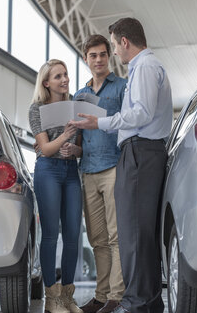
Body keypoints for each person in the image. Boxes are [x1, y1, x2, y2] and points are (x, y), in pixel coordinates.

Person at [69, 18, 173, 313]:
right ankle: (146, 302)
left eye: (112, 46)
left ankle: (137, 303)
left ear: (124, 42)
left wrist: (98, 122)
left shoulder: (143, 68)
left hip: (140, 152)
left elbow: (140, 114)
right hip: (138, 153)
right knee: (136, 233)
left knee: (133, 234)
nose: (113, 52)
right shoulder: (146, 67)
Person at [74, 34, 126, 313]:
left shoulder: (122, 88)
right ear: (86, 59)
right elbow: (80, 138)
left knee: (116, 236)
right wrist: (73, 150)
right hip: (88, 170)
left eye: (103, 54)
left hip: (114, 167)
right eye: (93, 55)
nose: (98, 60)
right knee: (97, 239)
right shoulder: (79, 95)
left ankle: (117, 296)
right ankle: (101, 294)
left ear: (110, 56)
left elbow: (130, 125)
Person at [28, 59, 84, 313]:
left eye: (66, 74)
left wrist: (75, 148)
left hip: (71, 171)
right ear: (46, 82)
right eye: (58, 76)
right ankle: (51, 298)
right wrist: (64, 135)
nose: (64, 80)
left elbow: (81, 147)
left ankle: (67, 296)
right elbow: (46, 149)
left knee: (73, 234)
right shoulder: (36, 109)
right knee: (51, 234)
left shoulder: (76, 106)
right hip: (48, 171)